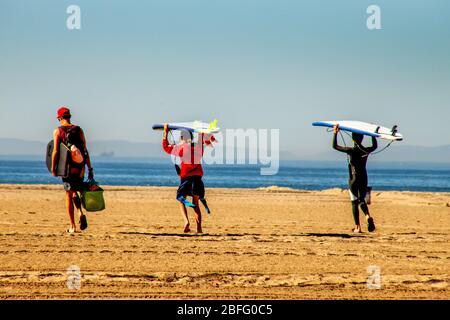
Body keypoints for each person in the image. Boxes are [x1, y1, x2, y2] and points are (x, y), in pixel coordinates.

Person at [161, 124, 216, 233]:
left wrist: (165, 132)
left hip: (186, 178)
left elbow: (166, 147)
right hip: (197, 178)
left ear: (182, 138)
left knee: (181, 199)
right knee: (195, 203)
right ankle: (199, 228)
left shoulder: (181, 148)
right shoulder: (198, 146)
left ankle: (186, 222)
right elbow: (204, 138)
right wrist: (202, 131)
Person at [51, 106, 94, 233]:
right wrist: (90, 168)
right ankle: (80, 212)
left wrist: (54, 169)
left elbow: (56, 151)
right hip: (79, 166)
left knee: (69, 194)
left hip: (67, 167)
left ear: (59, 118)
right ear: (69, 116)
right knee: (76, 191)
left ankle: (72, 226)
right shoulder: (79, 130)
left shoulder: (58, 131)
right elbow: (85, 151)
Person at [332, 124, 377, 233]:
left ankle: (358, 227)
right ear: (362, 138)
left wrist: (335, 132)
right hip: (364, 178)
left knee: (354, 202)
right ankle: (367, 216)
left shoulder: (350, 150)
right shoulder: (365, 150)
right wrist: (372, 134)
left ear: (353, 139)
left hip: (353, 179)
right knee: (362, 200)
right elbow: (375, 146)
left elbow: (335, 146)